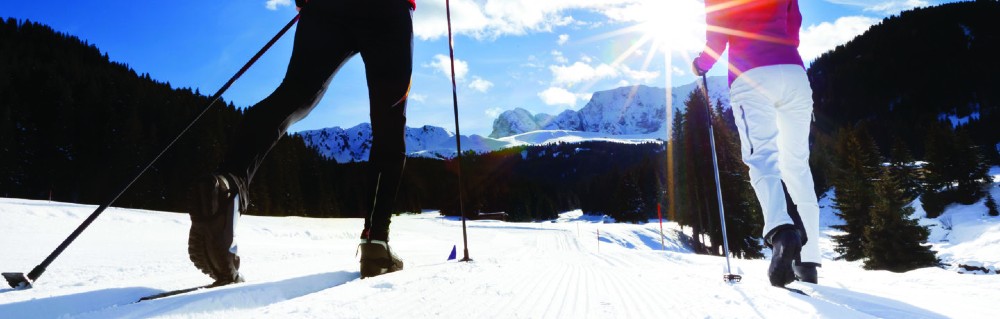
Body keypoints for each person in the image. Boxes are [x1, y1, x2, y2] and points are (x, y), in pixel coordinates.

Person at [187, 0, 416, 284]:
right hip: (387, 11)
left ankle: (227, 186)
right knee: (389, 122)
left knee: (292, 96)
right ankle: (376, 242)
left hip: (325, 9)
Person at [692, 0, 821, 287]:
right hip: (793, 71)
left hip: (750, 73)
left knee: (762, 157)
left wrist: (700, 64)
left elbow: (717, 38)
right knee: (798, 164)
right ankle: (809, 261)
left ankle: (781, 230)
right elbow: (793, 28)